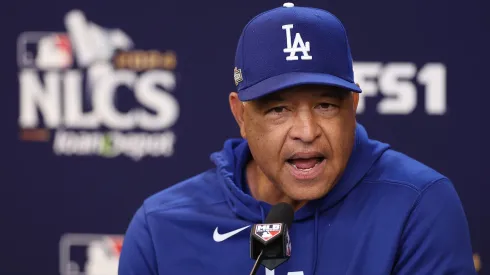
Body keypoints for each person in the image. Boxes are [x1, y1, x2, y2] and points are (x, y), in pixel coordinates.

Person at [118, 3, 476, 275]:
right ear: (241, 116)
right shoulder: (161, 226)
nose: (306, 132)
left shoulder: (418, 206)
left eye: (325, 105)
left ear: (353, 107)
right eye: (278, 110)